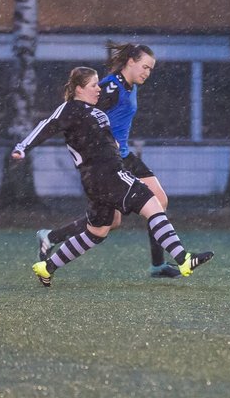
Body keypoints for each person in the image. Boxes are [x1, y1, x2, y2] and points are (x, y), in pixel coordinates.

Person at [12, 66, 212, 287]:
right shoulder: (71, 109)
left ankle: (47, 267)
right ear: (79, 88)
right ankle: (183, 259)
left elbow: (101, 139)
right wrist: (22, 147)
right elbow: (46, 126)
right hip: (107, 174)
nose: (99, 88)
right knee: (153, 204)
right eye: (93, 85)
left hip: (97, 179)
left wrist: (113, 145)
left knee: (97, 231)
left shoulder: (94, 111)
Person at [36, 42, 188, 278]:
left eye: (151, 69)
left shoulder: (129, 86)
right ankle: (51, 237)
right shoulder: (109, 88)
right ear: (130, 62)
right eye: (145, 67)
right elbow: (83, 114)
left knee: (155, 203)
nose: (147, 73)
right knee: (109, 224)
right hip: (110, 161)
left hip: (126, 155)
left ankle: (158, 264)